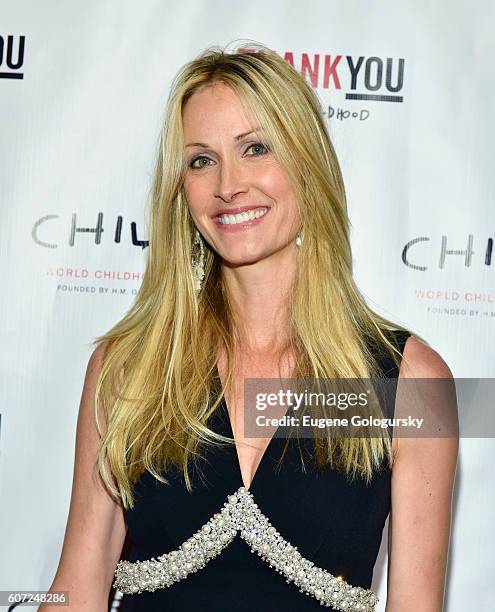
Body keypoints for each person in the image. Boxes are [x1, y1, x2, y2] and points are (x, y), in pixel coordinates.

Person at [40, 42, 458, 611]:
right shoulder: (129, 366)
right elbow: (76, 591)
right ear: (180, 190)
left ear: (307, 165)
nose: (227, 185)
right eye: (201, 160)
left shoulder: (405, 381)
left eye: (255, 148)